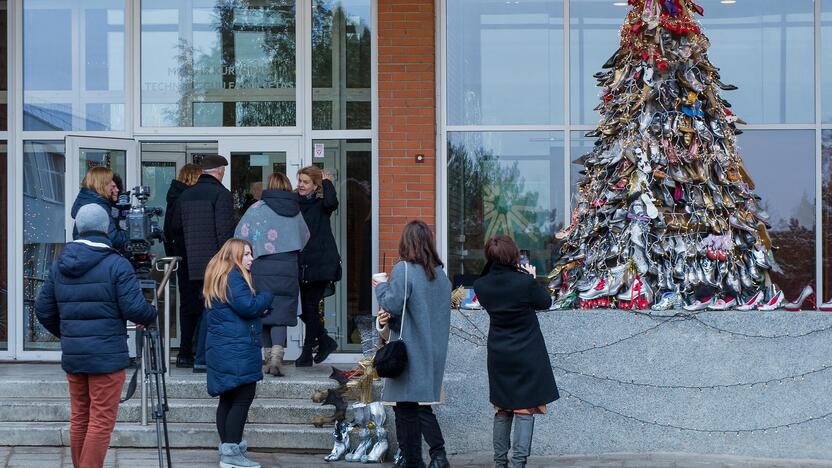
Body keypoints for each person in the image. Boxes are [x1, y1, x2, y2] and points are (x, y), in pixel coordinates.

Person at [34, 204, 157, 468]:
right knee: (101, 421)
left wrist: (69, 333)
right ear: (106, 229)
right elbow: (135, 309)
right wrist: (152, 314)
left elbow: (43, 311)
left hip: (76, 355)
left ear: (78, 228)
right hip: (107, 356)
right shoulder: (117, 264)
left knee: (80, 417)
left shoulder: (60, 264)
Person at [473, 236, 559, 468]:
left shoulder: (481, 286)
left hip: (499, 354)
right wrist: (530, 277)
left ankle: (499, 463)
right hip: (526, 353)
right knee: (524, 408)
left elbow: (486, 286)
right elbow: (546, 302)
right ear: (513, 256)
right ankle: (518, 463)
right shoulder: (524, 283)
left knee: (502, 408)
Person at [373, 220, 452, 468]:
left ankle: (415, 459)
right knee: (416, 405)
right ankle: (432, 456)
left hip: (409, 351)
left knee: (407, 407)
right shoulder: (441, 276)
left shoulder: (403, 269)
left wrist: (381, 286)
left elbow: (393, 304)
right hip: (433, 349)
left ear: (406, 242)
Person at [203, 239, 273, 468]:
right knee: (242, 399)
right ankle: (231, 455)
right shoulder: (234, 275)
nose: (251, 259)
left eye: (251, 254)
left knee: (228, 399)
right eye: (246, 254)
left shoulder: (220, 275)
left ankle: (228, 451)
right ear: (234, 256)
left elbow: (241, 310)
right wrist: (266, 297)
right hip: (236, 350)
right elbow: (248, 307)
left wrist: (258, 305)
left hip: (224, 348)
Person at [236, 173, 309, 377]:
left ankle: (268, 357)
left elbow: (240, 236)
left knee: (263, 309)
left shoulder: (257, 209)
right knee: (281, 313)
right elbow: (305, 237)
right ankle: (277, 355)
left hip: (262, 265)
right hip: (288, 267)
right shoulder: (296, 211)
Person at [171, 155, 236, 373]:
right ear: (219, 171)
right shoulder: (222, 195)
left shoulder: (185, 195)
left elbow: (176, 229)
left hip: (189, 263)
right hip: (213, 265)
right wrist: (227, 263)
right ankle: (204, 356)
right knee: (212, 310)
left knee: (190, 308)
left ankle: (188, 352)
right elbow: (224, 233)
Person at [296, 166, 340, 366]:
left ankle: (307, 352)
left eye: (306, 182)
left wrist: (327, 181)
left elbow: (332, 202)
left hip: (321, 262)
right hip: (302, 263)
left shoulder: (321, 204)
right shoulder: (294, 203)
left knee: (311, 306)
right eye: (300, 181)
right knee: (303, 309)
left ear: (315, 186)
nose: (301, 185)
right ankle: (324, 340)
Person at [163, 163, 203, 368]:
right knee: (197, 305)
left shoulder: (174, 198)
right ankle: (190, 349)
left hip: (182, 258)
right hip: (192, 256)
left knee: (188, 304)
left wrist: (173, 257)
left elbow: (167, 231)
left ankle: (186, 350)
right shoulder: (187, 199)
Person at [71, 166, 127, 251]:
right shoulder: (98, 207)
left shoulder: (90, 202)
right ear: (101, 183)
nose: (113, 184)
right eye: (110, 181)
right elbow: (113, 239)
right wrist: (133, 234)